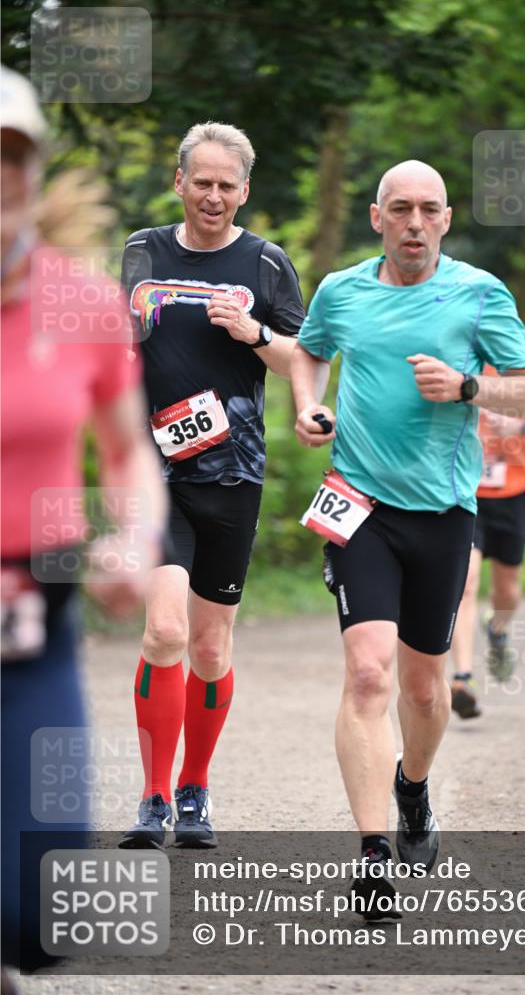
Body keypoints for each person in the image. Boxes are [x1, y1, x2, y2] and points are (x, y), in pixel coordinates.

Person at [290, 159, 525, 917]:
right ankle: (373, 859)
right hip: (358, 505)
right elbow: (309, 349)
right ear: (377, 217)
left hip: (443, 513)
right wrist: (308, 405)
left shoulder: (479, 293)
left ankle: (413, 786)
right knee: (369, 674)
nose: (413, 222)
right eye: (399, 208)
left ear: (446, 219)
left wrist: (468, 387)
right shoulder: (342, 291)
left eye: (428, 209)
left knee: (425, 688)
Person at [1, 66, 165, 985]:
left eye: (10, 155)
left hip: (35, 617)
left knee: (39, 922)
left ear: (34, 170)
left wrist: (132, 540)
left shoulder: (82, 303)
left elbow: (128, 449)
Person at [119, 122, 304, 849]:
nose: (213, 196)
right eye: (202, 182)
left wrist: (255, 334)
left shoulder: (265, 263)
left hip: (232, 475)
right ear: (179, 182)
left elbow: (306, 359)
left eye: (227, 185)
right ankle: (153, 796)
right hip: (154, 472)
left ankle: (195, 787)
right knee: (164, 631)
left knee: (209, 647)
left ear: (244, 190)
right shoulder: (142, 250)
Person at [449, 365, 525, 718]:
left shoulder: (524, 369)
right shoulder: (457, 362)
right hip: (466, 493)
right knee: (465, 584)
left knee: (508, 592)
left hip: (514, 496)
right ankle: (462, 678)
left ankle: (497, 629)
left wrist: (520, 427)